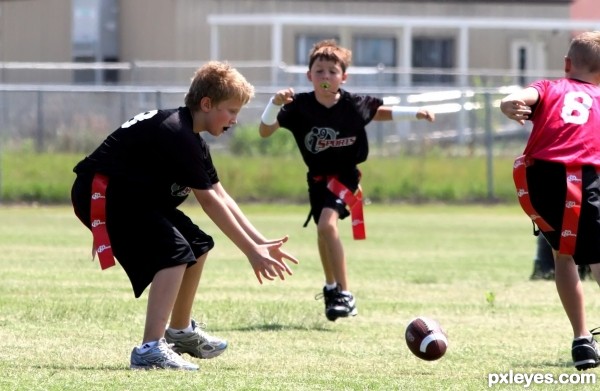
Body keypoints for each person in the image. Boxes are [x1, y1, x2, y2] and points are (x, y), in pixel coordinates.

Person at [71, 61, 299, 370]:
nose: (235, 120)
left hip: (131, 196)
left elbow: (221, 195)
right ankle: (149, 349)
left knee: (197, 244)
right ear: (206, 104)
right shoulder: (177, 133)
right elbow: (209, 203)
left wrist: (259, 242)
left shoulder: (192, 139)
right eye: (231, 111)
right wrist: (250, 252)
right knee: (174, 252)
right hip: (103, 194)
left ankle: (179, 332)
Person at [258, 39, 435, 322]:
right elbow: (265, 131)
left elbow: (378, 113)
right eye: (319, 71)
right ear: (309, 76)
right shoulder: (299, 106)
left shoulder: (353, 104)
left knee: (327, 225)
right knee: (322, 231)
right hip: (317, 179)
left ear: (343, 77)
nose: (325, 76)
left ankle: (346, 293)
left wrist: (414, 113)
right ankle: (331, 288)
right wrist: (273, 104)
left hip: (345, 176)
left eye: (332, 71)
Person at [500, 31, 600, 371]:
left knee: (564, 255)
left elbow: (520, 97)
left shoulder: (549, 86)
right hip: (584, 176)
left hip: (539, 178)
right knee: (597, 256)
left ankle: (582, 339)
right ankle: (584, 340)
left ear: (568, 64)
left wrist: (508, 103)